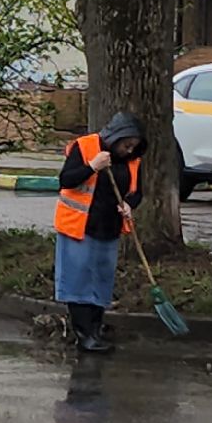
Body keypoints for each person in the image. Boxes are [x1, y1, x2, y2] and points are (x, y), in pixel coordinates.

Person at [54, 112, 146, 353]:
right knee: (79, 280)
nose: (128, 150)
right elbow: (66, 180)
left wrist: (129, 205)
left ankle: (95, 330)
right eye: (126, 145)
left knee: (101, 280)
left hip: (109, 228)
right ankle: (84, 334)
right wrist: (93, 166)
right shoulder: (85, 147)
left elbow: (137, 191)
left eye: (133, 147)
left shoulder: (132, 160)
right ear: (116, 138)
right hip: (80, 226)